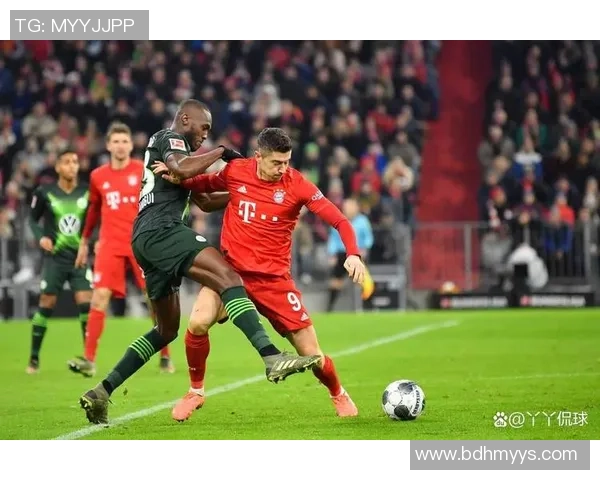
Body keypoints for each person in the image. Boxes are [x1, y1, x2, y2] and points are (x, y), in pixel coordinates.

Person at [78, 101, 320, 425]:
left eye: (209, 131)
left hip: (148, 240)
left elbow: (204, 200)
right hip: (162, 230)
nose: (205, 135)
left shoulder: (181, 158)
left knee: (165, 330)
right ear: (185, 119)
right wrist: (221, 151)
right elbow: (181, 168)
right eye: (203, 128)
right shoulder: (169, 139)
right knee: (228, 277)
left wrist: (248, 192)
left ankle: (101, 391)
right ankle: (271, 355)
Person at [155, 127, 367, 419]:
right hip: (230, 273)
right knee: (198, 322)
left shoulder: (298, 185)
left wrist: (353, 253)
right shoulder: (236, 171)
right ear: (258, 157)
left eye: (287, 162)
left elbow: (340, 220)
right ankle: (196, 391)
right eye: (276, 162)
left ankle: (337, 392)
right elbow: (204, 184)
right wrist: (178, 176)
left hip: (273, 280)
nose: (283, 168)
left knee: (312, 354)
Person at [68, 122, 174, 378]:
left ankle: (165, 355)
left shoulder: (142, 170)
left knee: (153, 298)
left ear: (131, 145)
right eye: (115, 141)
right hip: (110, 244)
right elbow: (93, 210)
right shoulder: (98, 176)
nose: (120, 146)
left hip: (141, 242)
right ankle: (89, 360)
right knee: (99, 298)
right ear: (108, 145)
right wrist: (84, 241)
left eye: (124, 141)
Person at [27, 150, 92, 374]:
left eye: (75, 162)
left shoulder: (87, 191)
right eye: (66, 162)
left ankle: (88, 358)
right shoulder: (44, 191)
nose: (72, 166)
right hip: (55, 257)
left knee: (86, 304)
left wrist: (91, 242)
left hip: (79, 258)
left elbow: (95, 220)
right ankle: (34, 358)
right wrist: (41, 237)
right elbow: (32, 219)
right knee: (47, 303)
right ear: (57, 167)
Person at [326, 197, 375, 312]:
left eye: (351, 206)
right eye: (346, 206)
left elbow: (368, 238)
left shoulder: (363, 221)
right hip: (341, 254)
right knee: (335, 282)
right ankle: (329, 309)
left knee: (364, 281)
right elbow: (333, 239)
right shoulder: (338, 220)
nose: (348, 209)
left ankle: (369, 308)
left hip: (357, 254)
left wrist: (365, 249)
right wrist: (332, 254)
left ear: (356, 207)